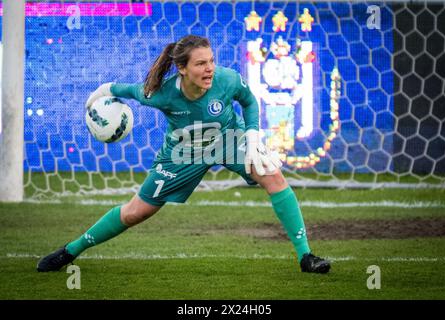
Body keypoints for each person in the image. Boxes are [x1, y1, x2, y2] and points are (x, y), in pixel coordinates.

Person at [37, 35, 330, 274]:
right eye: (201, 63)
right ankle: (70, 251)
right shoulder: (161, 94)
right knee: (135, 212)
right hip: (183, 152)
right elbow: (123, 89)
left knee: (274, 177)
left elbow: (249, 101)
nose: (210, 69)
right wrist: (98, 94)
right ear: (182, 68)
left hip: (229, 138)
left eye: (211, 61)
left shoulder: (226, 80)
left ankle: (306, 257)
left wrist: (252, 135)